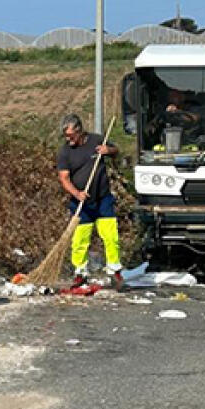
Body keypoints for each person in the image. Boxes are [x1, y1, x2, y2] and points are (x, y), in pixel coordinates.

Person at [56, 113, 124, 290]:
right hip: (81, 203)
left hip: (103, 199)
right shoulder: (65, 152)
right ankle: (80, 272)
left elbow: (116, 151)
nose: (68, 139)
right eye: (66, 136)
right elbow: (64, 178)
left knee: (110, 236)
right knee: (80, 239)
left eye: (71, 136)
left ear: (80, 131)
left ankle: (114, 270)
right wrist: (77, 193)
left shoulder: (96, 140)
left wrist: (108, 151)